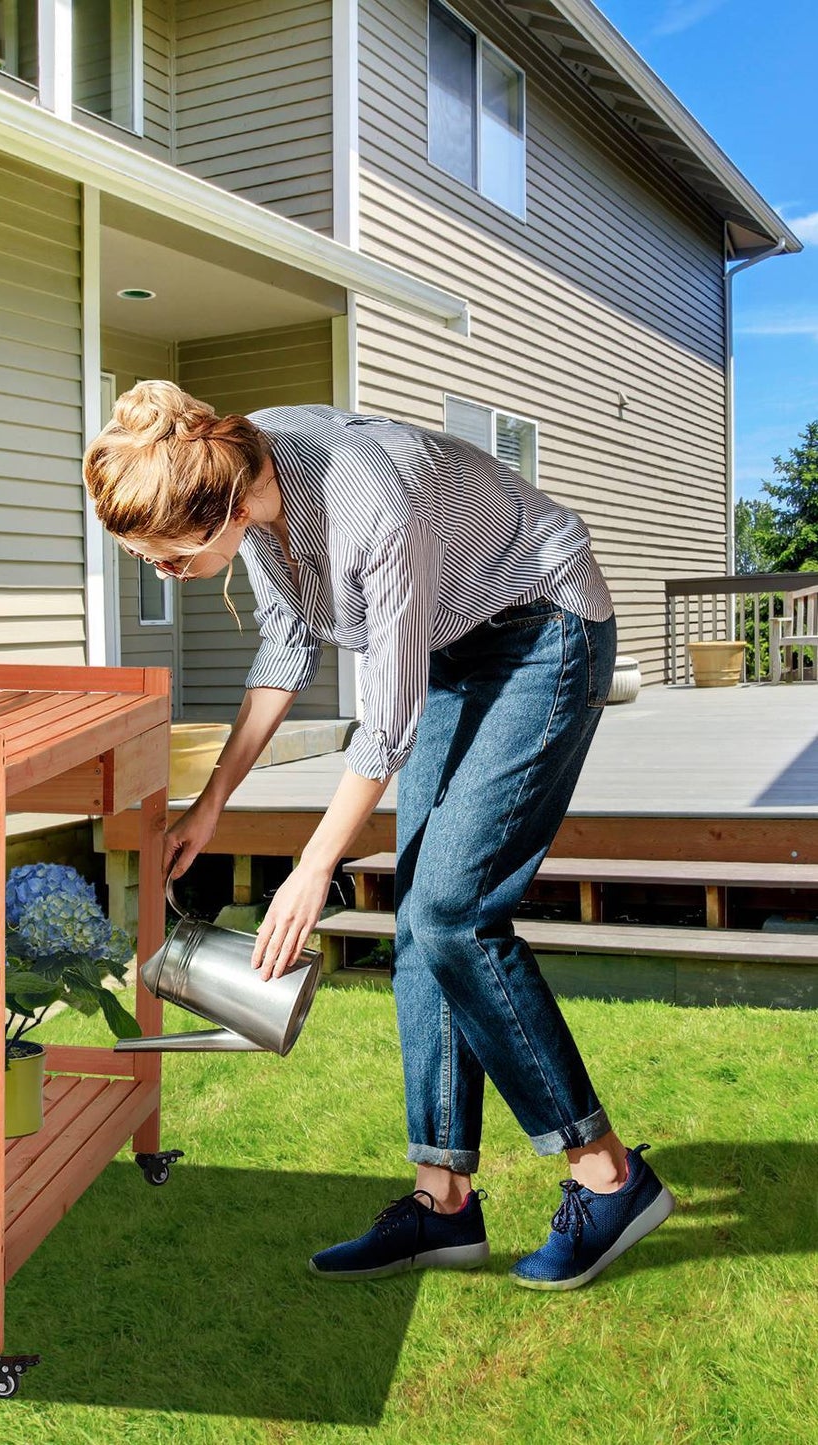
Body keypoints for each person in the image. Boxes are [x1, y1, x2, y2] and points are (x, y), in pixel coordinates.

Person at [82, 380, 674, 1290]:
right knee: (421, 928)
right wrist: (211, 805)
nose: (161, 575)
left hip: (543, 627)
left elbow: (384, 726)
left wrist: (312, 867)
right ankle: (443, 1205)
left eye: (166, 560)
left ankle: (608, 1176)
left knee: (450, 913)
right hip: (450, 644)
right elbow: (284, 644)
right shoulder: (244, 472)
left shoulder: (368, 503)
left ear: (224, 508)